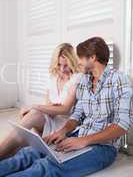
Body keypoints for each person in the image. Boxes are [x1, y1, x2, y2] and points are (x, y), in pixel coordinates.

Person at [0, 37, 132, 177]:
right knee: (28, 154)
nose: (77, 61)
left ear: (92, 57)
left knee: (46, 167)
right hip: (78, 134)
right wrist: (62, 132)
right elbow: (77, 114)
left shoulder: (119, 79)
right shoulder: (85, 80)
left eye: (80, 57)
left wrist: (83, 141)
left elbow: (122, 125)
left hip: (103, 147)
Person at [0, 43, 82, 160]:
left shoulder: (76, 79)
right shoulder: (53, 78)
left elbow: (65, 109)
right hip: (52, 120)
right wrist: (47, 108)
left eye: (66, 65)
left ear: (72, 62)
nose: (62, 69)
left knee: (32, 116)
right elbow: (48, 105)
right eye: (59, 65)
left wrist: (35, 106)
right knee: (20, 139)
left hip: (65, 124)